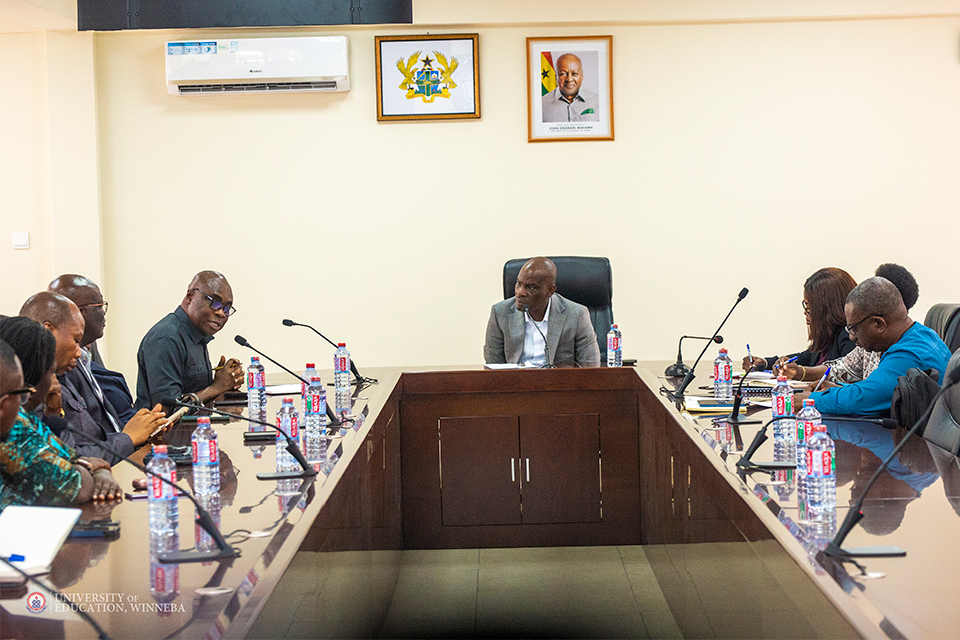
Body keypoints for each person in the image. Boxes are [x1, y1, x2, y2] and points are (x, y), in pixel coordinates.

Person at [20, 292, 166, 464]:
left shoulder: (63, 375)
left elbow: (89, 439)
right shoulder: (32, 389)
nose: (78, 352)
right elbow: (71, 458)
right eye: (76, 340)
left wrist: (142, 428)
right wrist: (129, 438)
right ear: (48, 331)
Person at [0, 316, 121, 508]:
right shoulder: (14, 426)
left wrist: (98, 470)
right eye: (51, 372)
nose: (53, 380)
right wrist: (92, 469)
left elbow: (72, 457)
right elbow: (73, 485)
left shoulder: (25, 419)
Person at [802, 277, 950, 416]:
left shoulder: (909, 353)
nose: (851, 337)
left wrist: (810, 400)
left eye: (854, 329)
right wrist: (839, 389)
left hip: (921, 442)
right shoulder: (921, 334)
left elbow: (864, 399)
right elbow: (875, 389)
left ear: (878, 324)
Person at [783, 263, 921, 385]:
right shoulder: (874, 344)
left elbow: (868, 395)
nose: (852, 337)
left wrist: (817, 399)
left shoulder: (906, 352)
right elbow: (840, 370)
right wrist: (800, 372)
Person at [136, 270, 244, 410]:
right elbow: (166, 410)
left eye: (227, 308)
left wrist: (223, 383)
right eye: (214, 303)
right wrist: (217, 387)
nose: (221, 313)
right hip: (165, 432)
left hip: (194, 429)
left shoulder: (196, 334)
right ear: (190, 296)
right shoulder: (166, 338)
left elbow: (194, 394)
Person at [48, 274, 136, 423]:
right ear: (78, 312)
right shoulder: (62, 367)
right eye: (100, 306)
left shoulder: (89, 347)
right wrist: (129, 438)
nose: (104, 313)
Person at [484, 257, 601, 367]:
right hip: (516, 384)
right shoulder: (500, 313)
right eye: (519, 284)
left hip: (560, 385)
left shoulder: (577, 314)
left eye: (531, 287)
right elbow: (494, 367)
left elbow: (590, 368)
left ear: (550, 291)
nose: (520, 292)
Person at [743, 267, 857, 376]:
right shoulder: (827, 340)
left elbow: (844, 376)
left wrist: (801, 374)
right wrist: (766, 363)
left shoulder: (848, 338)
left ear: (826, 307)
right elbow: (802, 358)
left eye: (809, 306)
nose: (805, 312)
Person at [541, 53, 600, 123]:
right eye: (563, 74)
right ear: (556, 76)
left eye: (574, 73)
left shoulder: (597, 102)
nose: (569, 79)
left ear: (582, 75)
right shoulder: (542, 104)